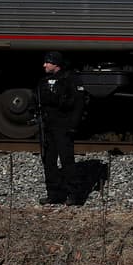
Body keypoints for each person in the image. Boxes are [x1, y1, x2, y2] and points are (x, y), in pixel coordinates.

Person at [36, 51, 86, 205]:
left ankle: (74, 195)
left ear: (56, 64)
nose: (44, 65)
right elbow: (37, 101)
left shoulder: (70, 79)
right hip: (48, 127)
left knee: (67, 161)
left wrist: (73, 125)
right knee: (49, 161)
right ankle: (54, 193)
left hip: (63, 126)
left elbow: (79, 104)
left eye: (47, 62)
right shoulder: (44, 81)